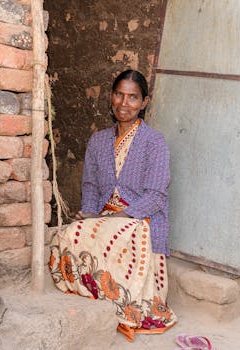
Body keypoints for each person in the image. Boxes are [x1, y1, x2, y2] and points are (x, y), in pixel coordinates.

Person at [49, 69, 177, 342]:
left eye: (133, 97)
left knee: (123, 233)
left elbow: (156, 195)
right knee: (70, 234)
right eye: (119, 94)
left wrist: (121, 216)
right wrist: (89, 213)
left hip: (141, 217)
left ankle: (128, 300)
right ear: (111, 96)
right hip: (106, 216)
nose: (124, 103)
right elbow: (91, 186)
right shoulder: (98, 141)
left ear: (144, 103)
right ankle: (94, 288)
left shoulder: (155, 142)